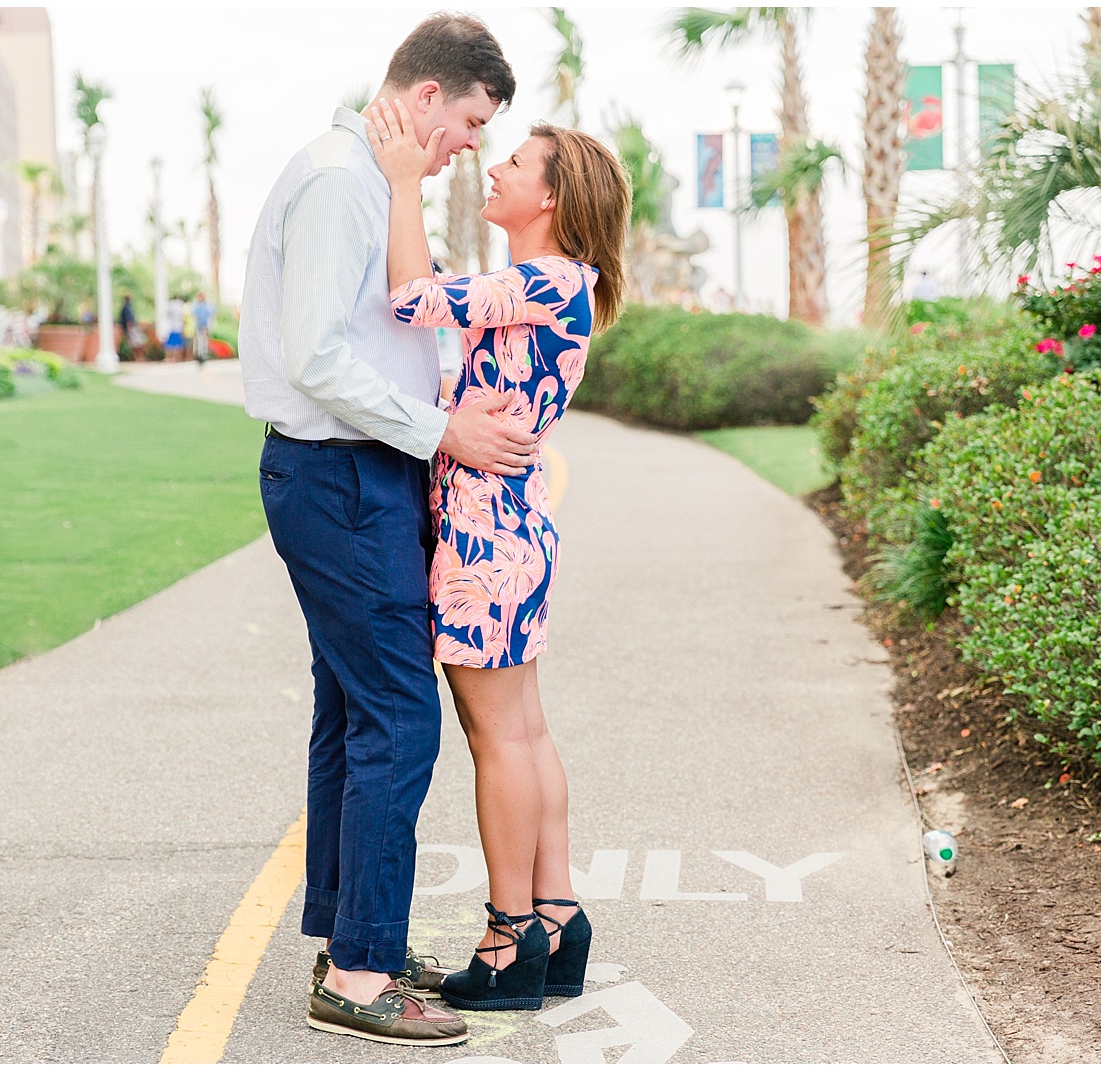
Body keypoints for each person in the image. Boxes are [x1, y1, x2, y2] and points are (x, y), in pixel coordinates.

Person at [239, 13, 531, 1049]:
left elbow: (388, 334)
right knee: (401, 719)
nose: (471, 145)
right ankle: (359, 978)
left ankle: (349, 939)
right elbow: (317, 359)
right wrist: (442, 427)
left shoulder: (371, 183)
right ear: (422, 99)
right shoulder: (337, 182)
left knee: (351, 714)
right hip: (338, 476)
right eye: (468, 120)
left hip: (363, 476)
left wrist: (445, 410)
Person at [365, 99, 628, 1013]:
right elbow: (465, 366)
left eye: (518, 162)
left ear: (550, 198)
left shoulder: (548, 278)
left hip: (487, 535)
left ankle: (509, 937)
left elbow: (410, 297)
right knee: (524, 730)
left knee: (497, 737)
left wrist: (402, 181)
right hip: (510, 525)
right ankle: (554, 916)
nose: (499, 169)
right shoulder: (552, 282)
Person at [191, 291, 214, 364]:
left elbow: (210, 315)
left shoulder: (207, 305)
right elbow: (194, 316)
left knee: (204, 341)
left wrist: (207, 327)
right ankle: (198, 355)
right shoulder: (196, 305)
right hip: (197, 326)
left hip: (204, 326)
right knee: (198, 341)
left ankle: (203, 356)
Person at [164, 296, 186, 360]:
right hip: (177, 327)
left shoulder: (171, 305)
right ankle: (177, 358)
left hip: (173, 327)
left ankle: (169, 357)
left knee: (170, 344)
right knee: (178, 345)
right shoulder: (181, 306)